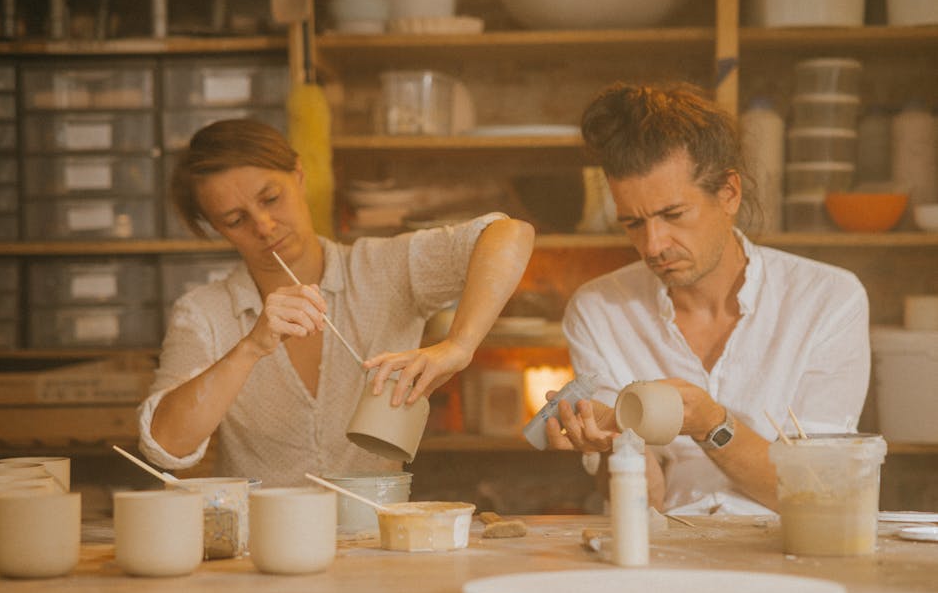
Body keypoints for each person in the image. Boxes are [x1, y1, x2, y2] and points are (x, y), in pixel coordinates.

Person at [138, 119, 534, 486]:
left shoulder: (385, 269)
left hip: (374, 539)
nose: (264, 226)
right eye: (236, 220)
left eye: (271, 198)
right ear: (214, 228)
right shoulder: (203, 312)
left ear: (299, 175)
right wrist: (249, 349)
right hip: (260, 549)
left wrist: (458, 346)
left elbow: (510, 235)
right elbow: (165, 446)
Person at [545, 84, 870, 515]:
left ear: (729, 193)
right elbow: (638, 497)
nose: (653, 244)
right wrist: (618, 452)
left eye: (673, 215)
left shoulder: (828, 300)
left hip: (785, 548)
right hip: (666, 549)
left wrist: (712, 425)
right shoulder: (599, 309)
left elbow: (817, 494)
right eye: (633, 223)